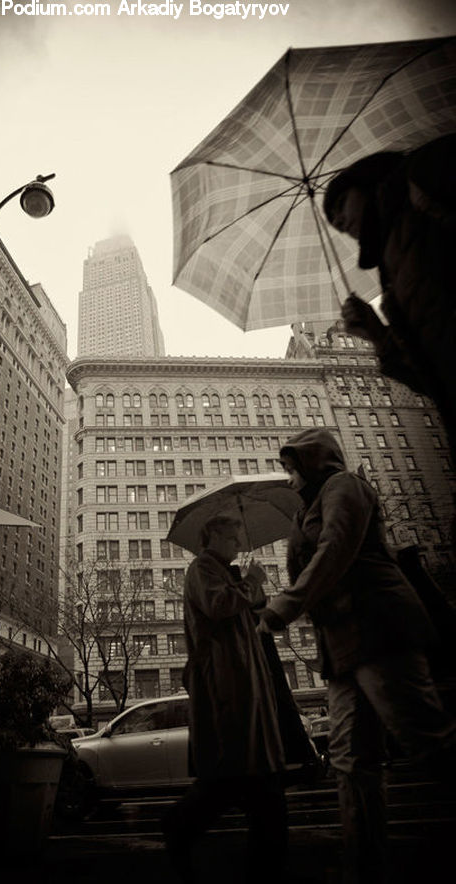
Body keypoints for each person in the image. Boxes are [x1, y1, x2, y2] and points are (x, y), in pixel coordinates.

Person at [257, 428, 456, 884]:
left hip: (379, 626)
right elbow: (310, 563)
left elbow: (337, 548)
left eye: (291, 469)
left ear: (313, 461)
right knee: (350, 759)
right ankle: (364, 865)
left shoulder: (345, 485)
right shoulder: (304, 509)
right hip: (342, 645)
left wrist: (286, 604)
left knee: (425, 738)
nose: (288, 479)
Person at [161, 515, 291, 883]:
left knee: (247, 780)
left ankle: (264, 864)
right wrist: (250, 581)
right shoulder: (202, 568)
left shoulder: (225, 571)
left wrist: (256, 589)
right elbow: (219, 605)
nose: (237, 541)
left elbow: (249, 613)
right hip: (227, 683)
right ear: (213, 535)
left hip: (244, 680)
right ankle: (180, 827)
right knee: (241, 777)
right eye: (232, 536)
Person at [323, 133, 456, 488]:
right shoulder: (391, 277)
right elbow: (429, 377)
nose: (338, 220)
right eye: (332, 221)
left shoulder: (425, 176)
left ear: (367, 183)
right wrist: (376, 333)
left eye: (340, 204)